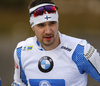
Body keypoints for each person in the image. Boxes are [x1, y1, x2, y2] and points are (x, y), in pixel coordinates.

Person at [11, 0, 100, 86]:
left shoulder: (81, 51)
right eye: (41, 25)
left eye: (52, 23)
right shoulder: (22, 51)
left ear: (58, 22)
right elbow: (19, 83)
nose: (48, 31)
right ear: (32, 26)